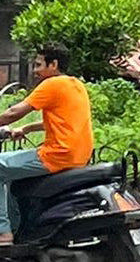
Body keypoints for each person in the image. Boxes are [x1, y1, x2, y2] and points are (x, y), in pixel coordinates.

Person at [0, 44, 93, 245]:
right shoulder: (76, 85)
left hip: (57, 155)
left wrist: (9, 121)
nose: (34, 71)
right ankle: (18, 230)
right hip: (78, 155)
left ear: (54, 64)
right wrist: (25, 129)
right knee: (12, 175)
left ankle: (3, 233)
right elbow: (61, 121)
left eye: (38, 65)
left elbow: (14, 112)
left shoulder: (51, 84)